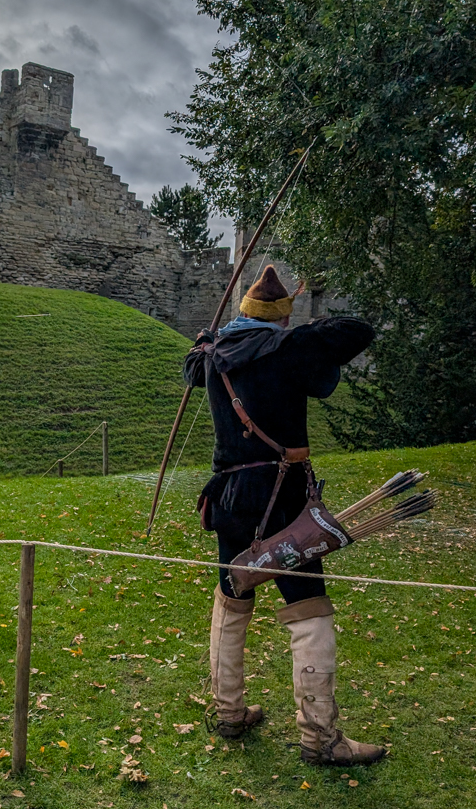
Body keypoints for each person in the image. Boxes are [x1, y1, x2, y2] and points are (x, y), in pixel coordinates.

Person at [184, 265, 385, 767]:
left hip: (228, 496)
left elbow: (189, 362)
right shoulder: (285, 348)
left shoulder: (212, 355)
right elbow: (358, 330)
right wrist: (295, 330)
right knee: (308, 607)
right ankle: (320, 739)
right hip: (281, 496)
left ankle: (228, 712)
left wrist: (215, 335)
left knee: (233, 596)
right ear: (279, 321)